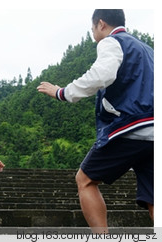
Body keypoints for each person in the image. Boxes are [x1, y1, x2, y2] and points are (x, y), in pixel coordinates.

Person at [36, 9, 153, 233]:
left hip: (130, 127)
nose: (92, 33)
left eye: (92, 28)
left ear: (100, 24)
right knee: (154, 197)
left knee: (85, 180)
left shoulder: (112, 42)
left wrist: (62, 92)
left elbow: (101, 75)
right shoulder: (148, 50)